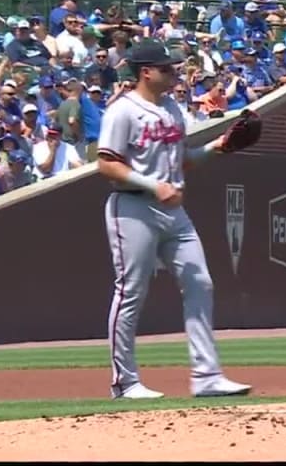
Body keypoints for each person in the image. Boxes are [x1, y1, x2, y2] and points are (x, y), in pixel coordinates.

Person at [96, 38, 252, 400]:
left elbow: (182, 159)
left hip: (173, 210)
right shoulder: (122, 111)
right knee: (130, 292)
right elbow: (106, 164)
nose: (174, 73)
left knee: (201, 284)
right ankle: (125, 382)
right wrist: (152, 185)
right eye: (166, 68)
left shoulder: (172, 109)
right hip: (132, 207)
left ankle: (207, 376)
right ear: (145, 72)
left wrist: (216, 148)